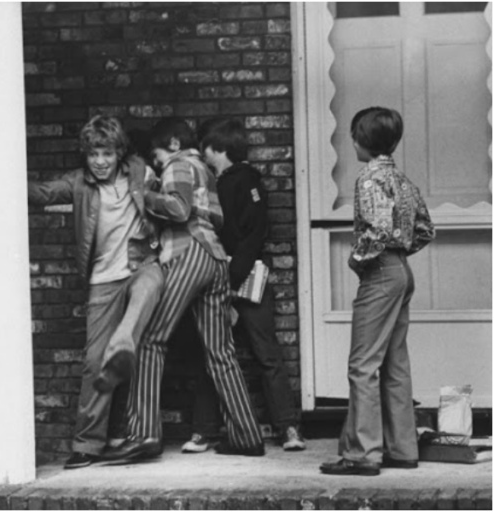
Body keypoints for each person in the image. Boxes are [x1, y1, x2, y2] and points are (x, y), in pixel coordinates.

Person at [108, 117, 264, 462]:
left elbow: (178, 210)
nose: (157, 160)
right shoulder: (206, 170)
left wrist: (143, 196)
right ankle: (247, 436)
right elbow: (217, 219)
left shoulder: (178, 165)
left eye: (158, 154)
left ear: (174, 145)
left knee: (150, 340)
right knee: (221, 353)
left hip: (187, 252)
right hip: (216, 259)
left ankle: (143, 435)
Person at [16, 115, 164, 469]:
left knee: (151, 283)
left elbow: (170, 182)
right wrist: (1, 177)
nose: (100, 161)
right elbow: (42, 193)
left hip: (142, 264)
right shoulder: (79, 184)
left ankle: (125, 336)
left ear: (119, 154)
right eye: (94, 154)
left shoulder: (139, 171)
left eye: (107, 153)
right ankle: (87, 444)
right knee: (95, 362)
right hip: (103, 279)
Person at [176, 117, 306, 453]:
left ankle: (286, 427)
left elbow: (253, 235)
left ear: (218, 149)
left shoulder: (245, 181)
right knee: (219, 353)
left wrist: (231, 279)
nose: (202, 155)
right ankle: (206, 430)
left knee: (254, 353)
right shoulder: (216, 181)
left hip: (242, 278)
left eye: (205, 148)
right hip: (222, 276)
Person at [320, 107, 433, 476]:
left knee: (363, 364)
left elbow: (378, 230)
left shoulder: (369, 180)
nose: (352, 142)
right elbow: (425, 230)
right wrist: (398, 255)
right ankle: (403, 449)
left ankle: (362, 454)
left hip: (381, 273)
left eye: (354, 136)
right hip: (402, 270)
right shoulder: (402, 180)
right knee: (395, 363)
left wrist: (358, 260)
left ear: (361, 141)